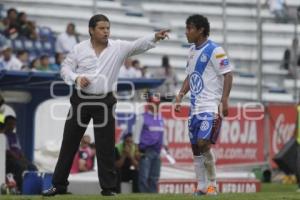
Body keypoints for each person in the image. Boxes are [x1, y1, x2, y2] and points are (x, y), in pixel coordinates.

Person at [42, 14, 169, 197]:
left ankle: (108, 189)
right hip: (81, 100)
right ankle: (58, 185)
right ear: (91, 30)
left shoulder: (117, 48)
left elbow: (137, 45)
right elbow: (65, 69)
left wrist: (155, 37)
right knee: (69, 143)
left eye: (108, 28)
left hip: (105, 101)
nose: (106, 31)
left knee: (106, 146)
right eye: (102, 28)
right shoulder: (79, 49)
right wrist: (76, 78)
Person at [174, 14, 233, 196]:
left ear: (200, 30)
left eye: (189, 28)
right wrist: (181, 94)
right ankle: (201, 185)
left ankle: (212, 185)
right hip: (194, 108)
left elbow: (228, 74)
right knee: (195, 148)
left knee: (203, 143)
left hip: (209, 107)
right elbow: (191, 77)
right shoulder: (191, 51)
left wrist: (224, 100)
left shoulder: (215, 50)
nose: (186, 32)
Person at [133, 92, 167, 193]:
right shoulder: (142, 117)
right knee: (144, 177)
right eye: (154, 103)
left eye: (158, 104)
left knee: (154, 177)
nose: (156, 105)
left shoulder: (160, 118)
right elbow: (136, 135)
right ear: (149, 104)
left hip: (157, 151)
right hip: (146, 151)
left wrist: (164, 149)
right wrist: (136, 150)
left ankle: (153, 196)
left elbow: (163, 135)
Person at [4, 115, 38, 191]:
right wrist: (18, 159)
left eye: (13, 124)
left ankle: (33, 189)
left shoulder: (14, 136)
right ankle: (20, 188)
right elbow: (7, 152)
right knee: (21, 168)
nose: (12, 126)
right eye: (10, 124)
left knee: (32, 167)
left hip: (17, 159)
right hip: (9, 160)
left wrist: (24, 159)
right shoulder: (3, 136)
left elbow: (19, 150)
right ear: (6, 124)